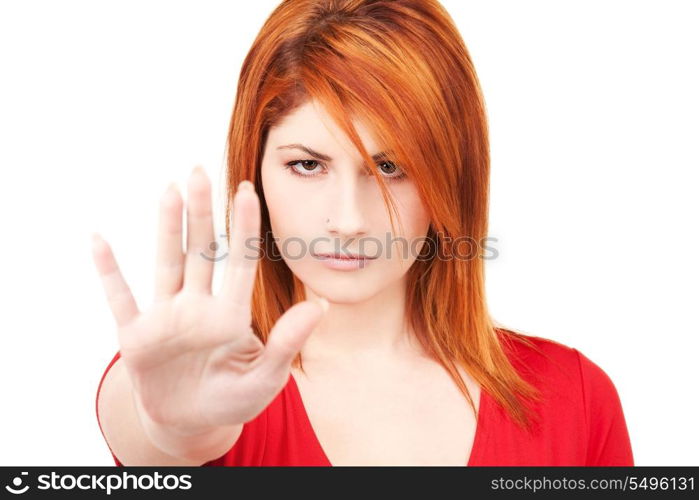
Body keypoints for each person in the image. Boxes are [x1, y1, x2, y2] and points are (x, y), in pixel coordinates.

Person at [92, 0, 634, 466]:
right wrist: (175, 431)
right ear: (253, 169)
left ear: (452, 177)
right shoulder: (192, 372)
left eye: (391, 168)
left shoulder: (576, 401)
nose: (348, 220)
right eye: (307, 165)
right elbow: (148, 426)